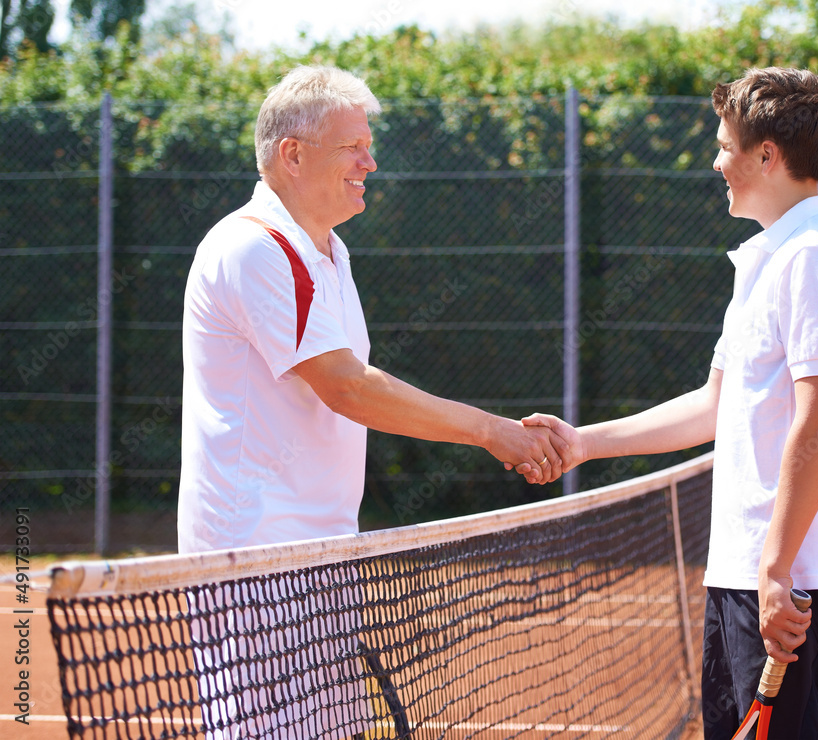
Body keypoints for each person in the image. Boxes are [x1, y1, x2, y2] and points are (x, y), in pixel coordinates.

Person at [178, 64, 569, 738]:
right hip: (259, 559)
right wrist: (490, 432)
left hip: (318, 551)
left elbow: (352, 374)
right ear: (292, 155)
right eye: (352, 147)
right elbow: (347, 386)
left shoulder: (327, 252)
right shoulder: (257, 249)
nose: (371, 161)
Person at [525, 67, 818, 739]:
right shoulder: (768, 262)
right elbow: (716, 404)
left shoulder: (816, 260)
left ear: (767, 155)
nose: (717, 162)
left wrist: (776, 568)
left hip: (796, 586)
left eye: (725, 145)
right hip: (751, 577)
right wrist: (583, 443)